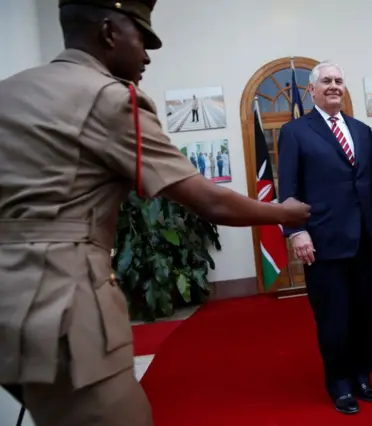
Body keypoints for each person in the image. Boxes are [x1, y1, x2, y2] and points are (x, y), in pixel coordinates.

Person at [0, 1, 310, 425]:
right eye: (142, 39)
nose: (147, 55)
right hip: (62, 304)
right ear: (109, 32)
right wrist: (285, 211)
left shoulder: (11, 91)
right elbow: (209, 201)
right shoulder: (111, 98)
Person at [278, 61, 372, 415]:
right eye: (326, 81)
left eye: (338, 81)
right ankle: (340, 384)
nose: (333, 86)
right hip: (323, 242)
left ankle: (362, 376)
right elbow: (289, 188)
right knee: (333, 317)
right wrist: (296, 231)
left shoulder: (361, 130)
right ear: (312, 90)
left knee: (363, 313)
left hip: (362, 238)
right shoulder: (296, 131)